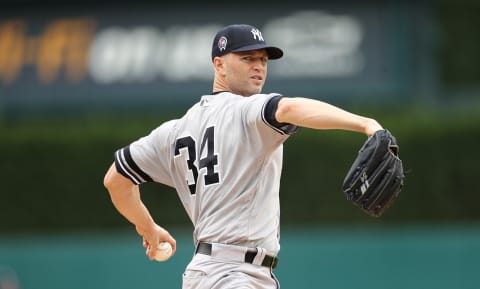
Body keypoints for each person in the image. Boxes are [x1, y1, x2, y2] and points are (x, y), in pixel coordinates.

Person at [103, 24, 383, 289]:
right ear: (219, 64)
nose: (259, 66)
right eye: (247, 58)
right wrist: (365, 124)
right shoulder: (246, 111)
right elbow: (289, 109)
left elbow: (116, 180)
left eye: (263, 59)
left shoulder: (173, 131)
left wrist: (148, 228)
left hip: (213, 273)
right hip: (232, 274)